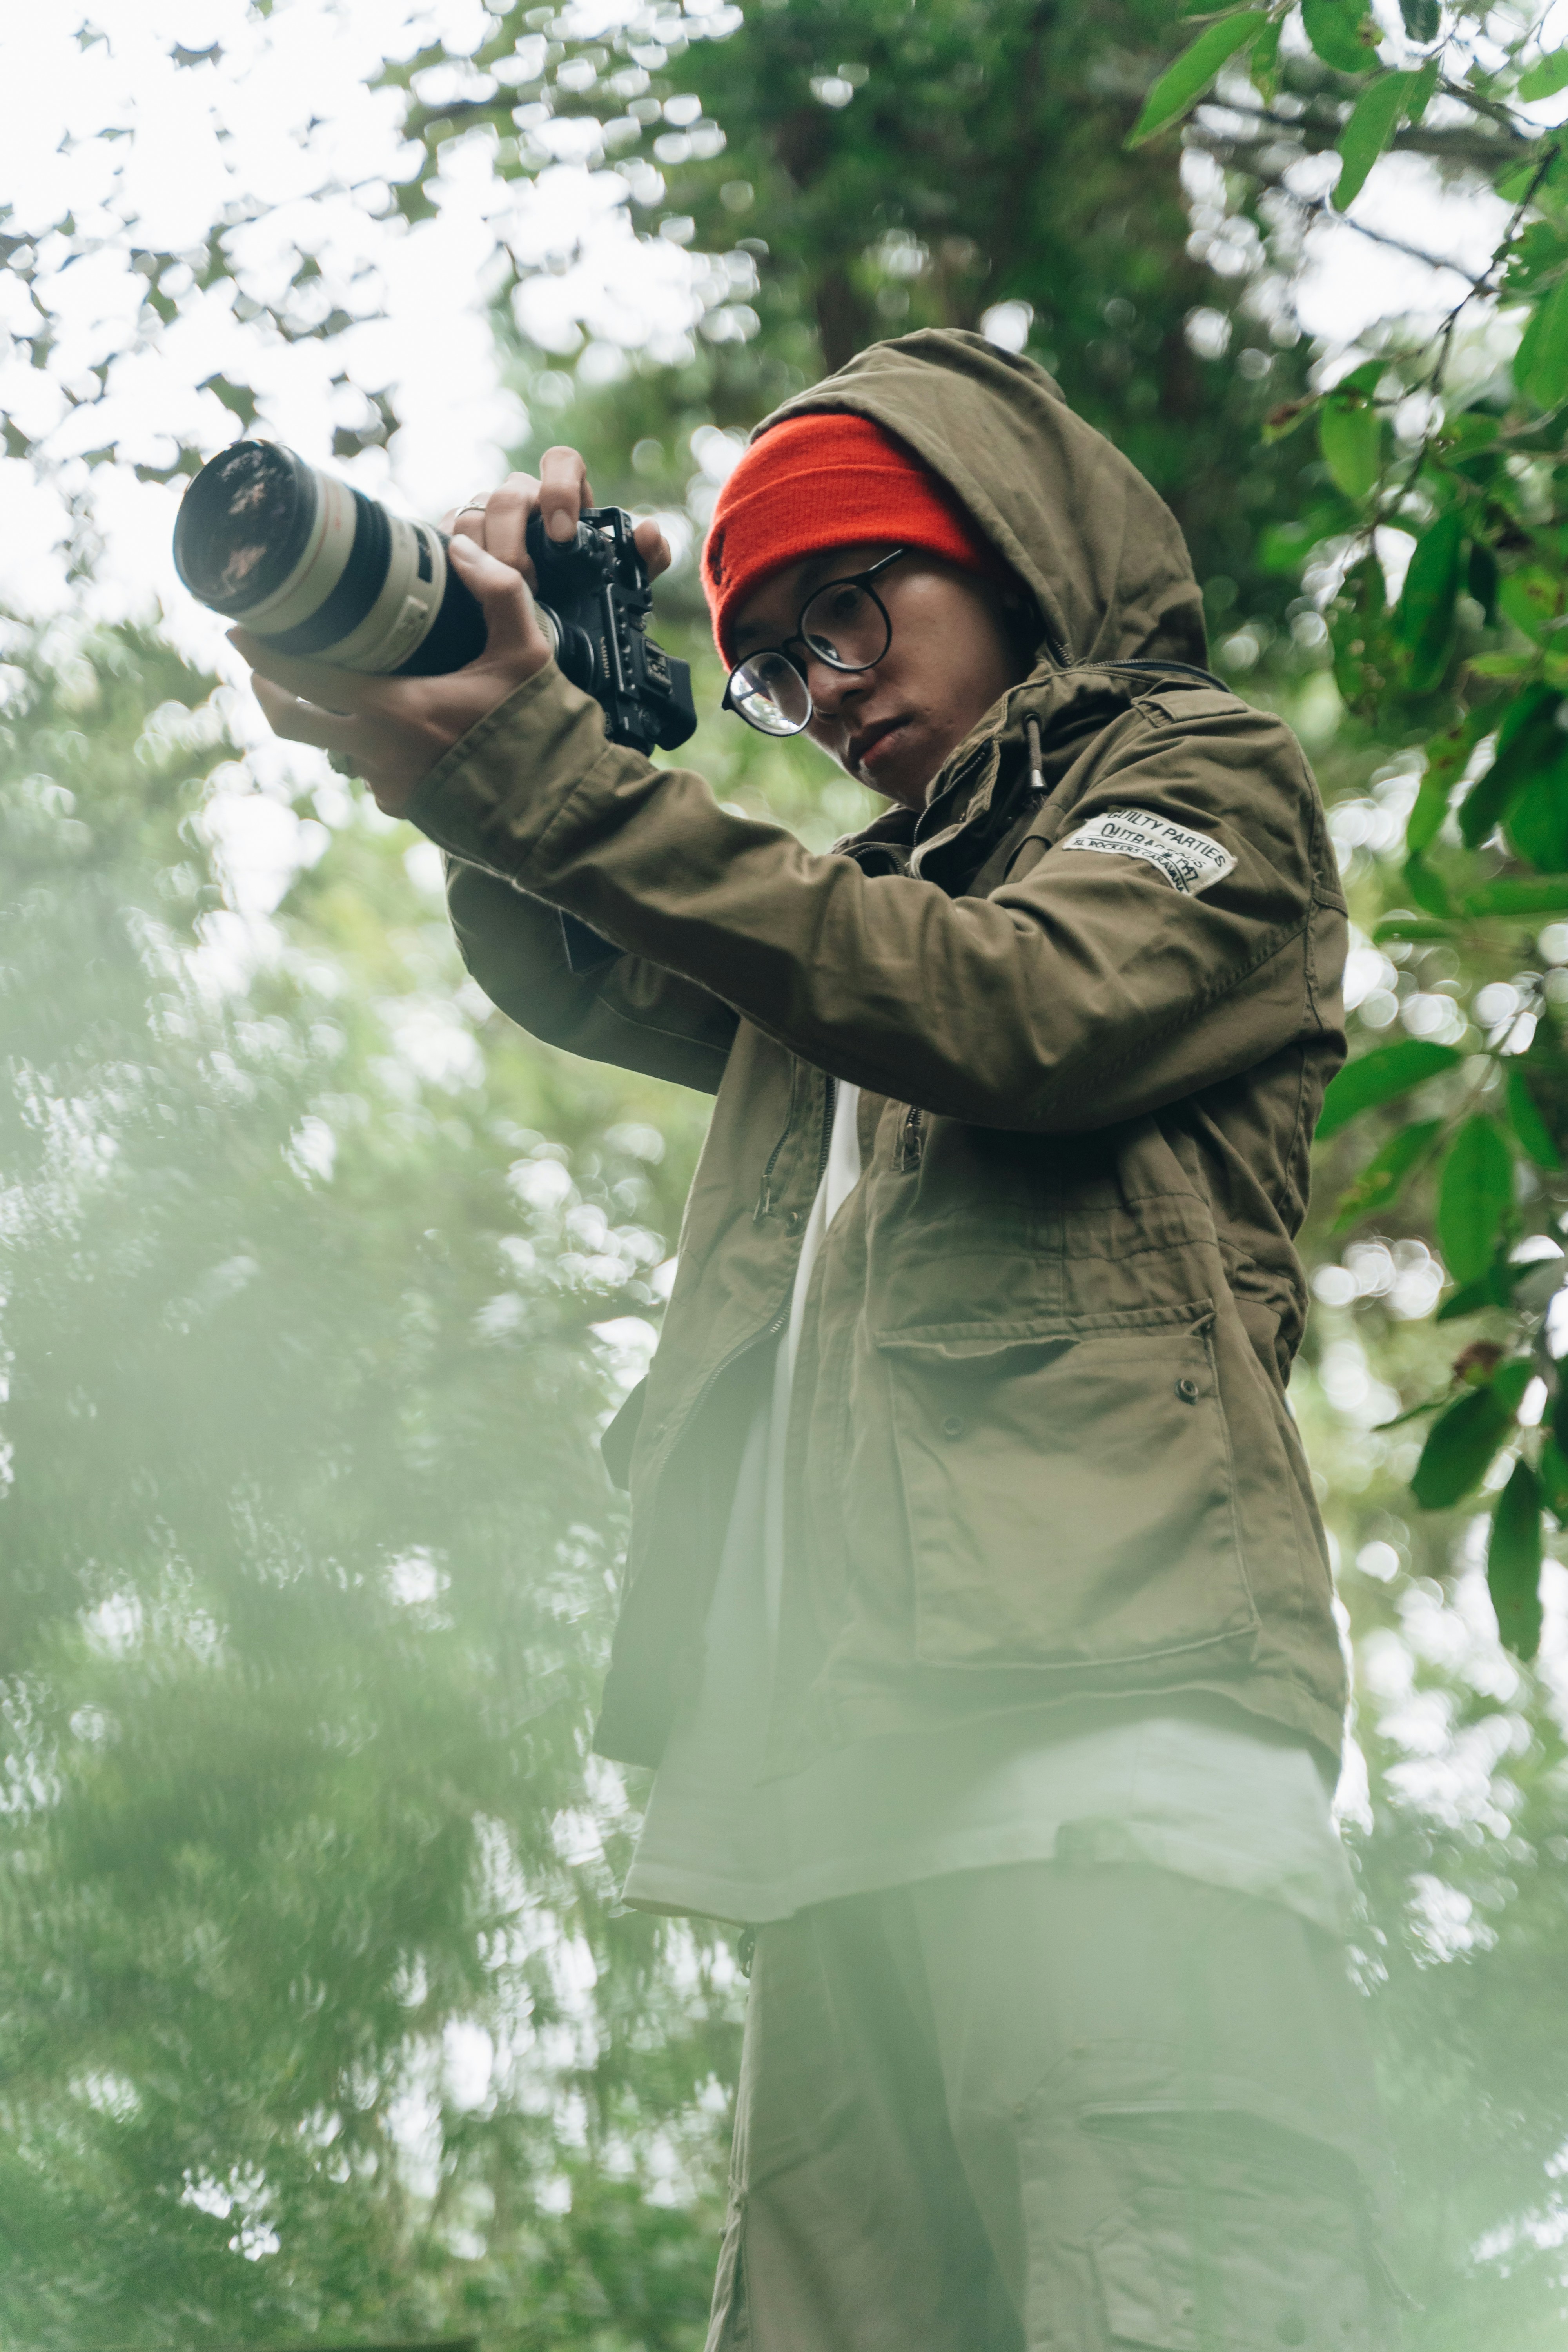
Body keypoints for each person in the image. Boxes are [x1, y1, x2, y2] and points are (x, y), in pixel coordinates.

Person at [236, 330, 1399, 2351]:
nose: (823, 685)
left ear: (1007, 553)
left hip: (1114, 1770)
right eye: (771, 662)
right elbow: (612, 962)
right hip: (836, 1810)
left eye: (847, 608)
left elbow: (1006, 1010)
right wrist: (461, 722)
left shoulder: (1198, 783)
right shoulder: (868, 909)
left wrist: (549, 777)